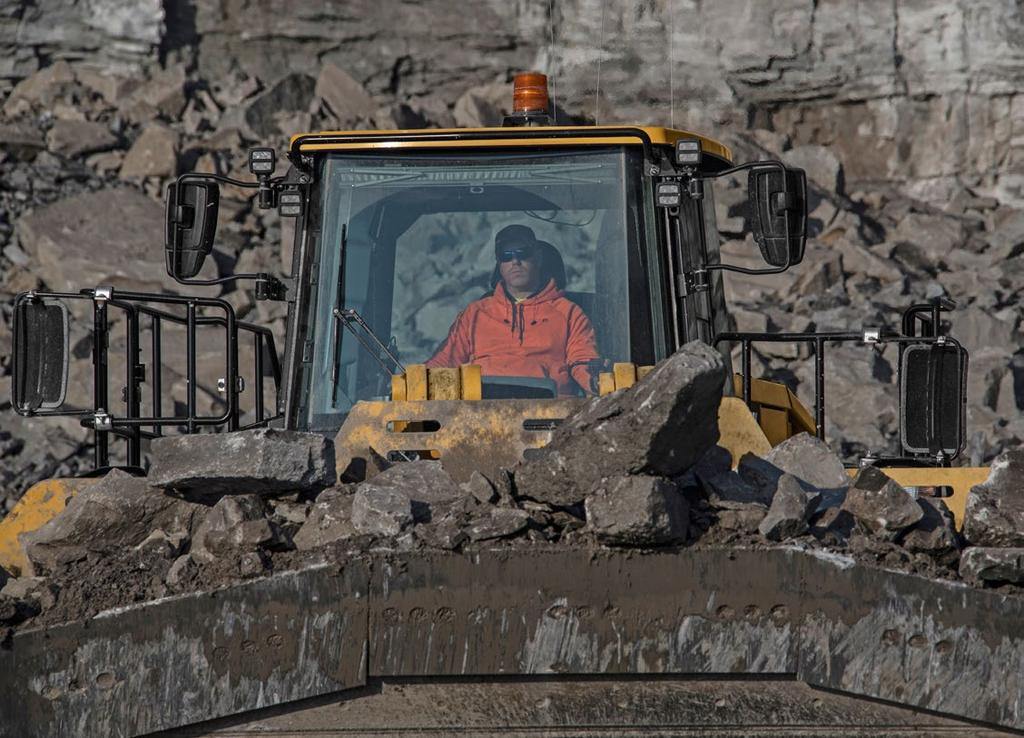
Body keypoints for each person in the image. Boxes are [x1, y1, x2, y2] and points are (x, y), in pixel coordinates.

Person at [425, 224, 599, 396]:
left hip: (550, 412)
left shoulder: (569, 313)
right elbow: (444, 362)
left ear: (538, 258)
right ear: (499, 265)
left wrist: (595, 381)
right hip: (478, 411)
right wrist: (414, 383)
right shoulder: (475, 314)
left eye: (522, 253)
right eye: (506, 256)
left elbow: (582, 361)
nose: (515, 261)